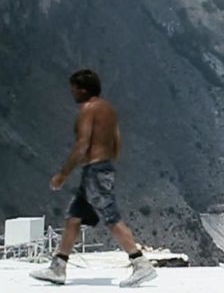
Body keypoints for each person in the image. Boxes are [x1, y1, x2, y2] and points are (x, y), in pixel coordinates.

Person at [30, 69, 157, 287]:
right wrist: (106, 164)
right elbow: (116, 141)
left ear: (83, 89)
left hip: (95, 172)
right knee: (73, 218)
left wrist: (63, 174)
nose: (72, 93)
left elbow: (82, 143)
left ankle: (140, 263)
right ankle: (58, 267)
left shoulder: (88, 109)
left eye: (74, 89)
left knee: (111, 217)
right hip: (100, 169)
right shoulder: (109, 110)